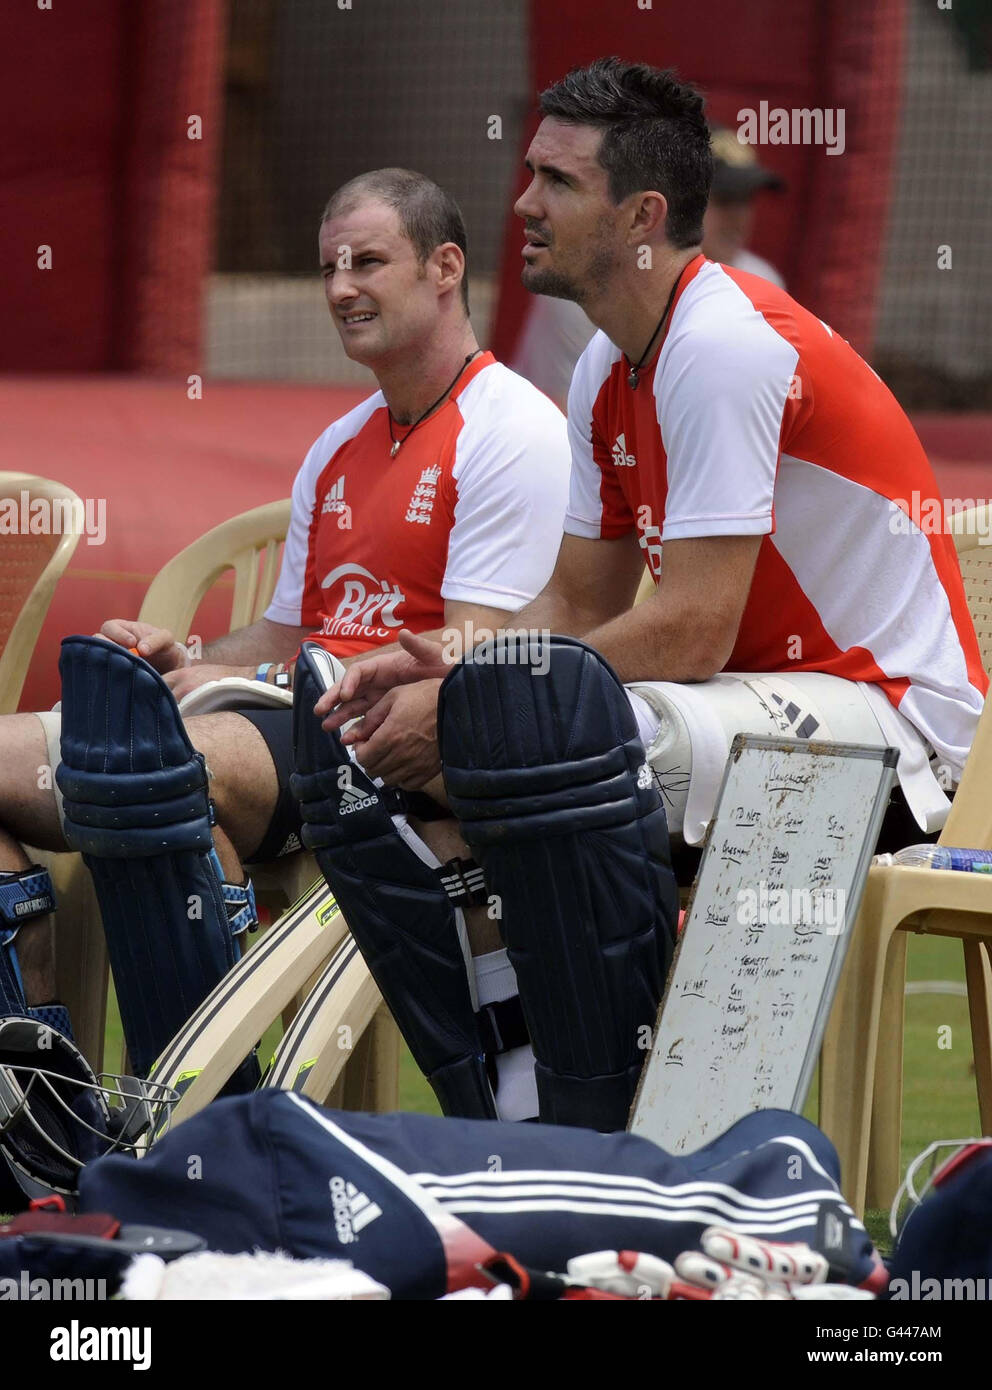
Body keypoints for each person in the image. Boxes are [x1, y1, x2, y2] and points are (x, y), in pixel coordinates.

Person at [309, 59, 987, 1132]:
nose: (522, 203)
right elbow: (575, 607)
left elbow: (691, 624)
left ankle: (605, 1132)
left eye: (556, 183)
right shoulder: (603, 365)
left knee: (550, 729)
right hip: (762, 710)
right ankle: (518, 1114)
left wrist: (495, 691)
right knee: (348, 752)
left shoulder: (717, 345)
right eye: (529, 173)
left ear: (640, 216)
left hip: (903, 733)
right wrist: (452, 659)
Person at [0, 169, 569, 1086]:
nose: (342, 287)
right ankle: (38, 1106)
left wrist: (259, 691)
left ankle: (205, 1121)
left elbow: (470, 661)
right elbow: (278, 635)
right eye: (330, 267)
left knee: (158, 765)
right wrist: (190, 661)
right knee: (90, 753)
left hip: (394, 748)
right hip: (280, 730)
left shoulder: (513, 430)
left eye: (369, 261)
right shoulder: (338, 444)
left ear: (444, 268)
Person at [512, 123, 787, 406]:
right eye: (725, 201)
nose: (739, 219)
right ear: (678, 202)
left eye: (745, 201)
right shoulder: (593, 277)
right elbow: (559, 416)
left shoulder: (761, 282)